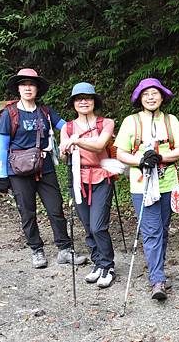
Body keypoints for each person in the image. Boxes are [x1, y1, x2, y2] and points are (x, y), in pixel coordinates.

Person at [0, 68, 87, 268]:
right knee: (27, 212)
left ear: (37, 89)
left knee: (56, 209)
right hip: (18, 171)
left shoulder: (45, 111)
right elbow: (2, 146)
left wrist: (93, 130)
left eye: (32, 84)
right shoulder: (9, 113)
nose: (28, 88)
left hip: (45, 168)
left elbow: (66, 127)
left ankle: (64, 249)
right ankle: (37, 250)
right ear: (18, 89)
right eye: (24, 84)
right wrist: (3, 176)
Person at [114, 77, 179, 300]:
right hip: (141, 184)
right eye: (146, 94)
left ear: (162, 96)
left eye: (155, 93)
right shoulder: (131, 122)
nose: (151, 97)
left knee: (162, 229)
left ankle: (158, 269)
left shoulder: (170, 120)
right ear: (139, 98)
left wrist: (160, 156)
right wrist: (141, 161)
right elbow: (120, 153)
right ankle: (157, 280)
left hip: (168, 183)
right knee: (152, 230)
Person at [60, 82, 117, 288]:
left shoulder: (106, 123)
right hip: (77, 179)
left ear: (94, 101)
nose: (83, 101)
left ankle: (108, 265)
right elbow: (62, 151)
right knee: (87, 226)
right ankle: (97, 263)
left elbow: (100, 145)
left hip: (102, 177)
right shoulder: (67, 127)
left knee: (98, 226)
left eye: (88, 98)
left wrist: (75, 141)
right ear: (73, 103)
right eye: (78, 98)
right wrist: (65, 148)